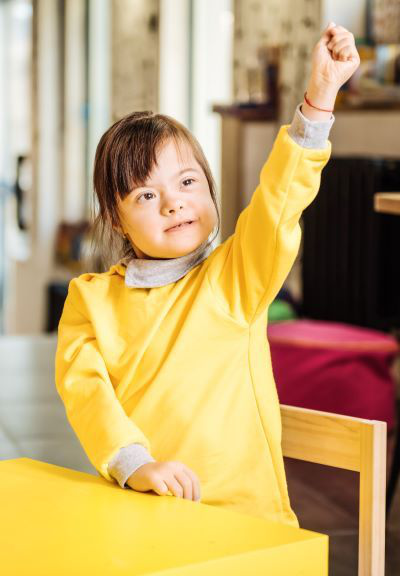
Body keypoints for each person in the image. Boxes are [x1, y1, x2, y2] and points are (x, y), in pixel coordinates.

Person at [55, 23, 360, 527]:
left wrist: (320, 98)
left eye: (188, 181)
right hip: (144, 515)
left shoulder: (236, 275)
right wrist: (137, 465)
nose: (175, 203)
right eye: (146, 196)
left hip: (247, 524)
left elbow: (279, 203)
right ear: (116, 218)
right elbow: (86, 394)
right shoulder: (90, 301)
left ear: (209, 186)